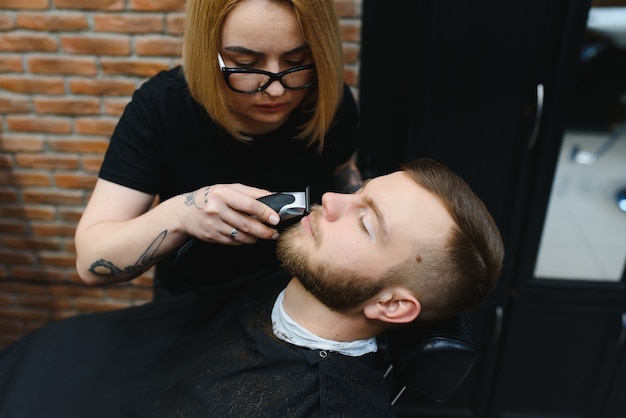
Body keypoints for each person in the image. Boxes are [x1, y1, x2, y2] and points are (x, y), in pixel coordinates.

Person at [0, 159, 504, 417]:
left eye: (367, 224)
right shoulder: (298, 274)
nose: (330, 200)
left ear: (392, 304)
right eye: (357, 195)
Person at [74, 0, 362, 298]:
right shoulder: (163, 108)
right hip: (194, 309)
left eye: (297, 61)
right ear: (206, 51)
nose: (276, 89)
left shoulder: (328, 99)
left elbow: (342, 170)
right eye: (247, 64)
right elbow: (90, 259)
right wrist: (182, 215)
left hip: (300, 300)